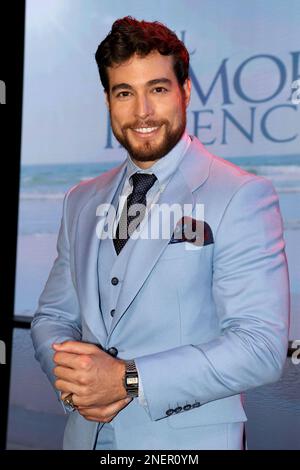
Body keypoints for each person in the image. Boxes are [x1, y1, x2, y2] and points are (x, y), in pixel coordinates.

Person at [31, 16, 290, 450]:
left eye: (158, 89)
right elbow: (52, 318)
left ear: (185, 91)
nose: (142, 112)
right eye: (125, 93)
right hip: (83, 439)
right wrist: (77, 382)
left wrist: (127, 380)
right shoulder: (80, 199)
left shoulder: (242, 194)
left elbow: (260, 346)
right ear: (108, 100)